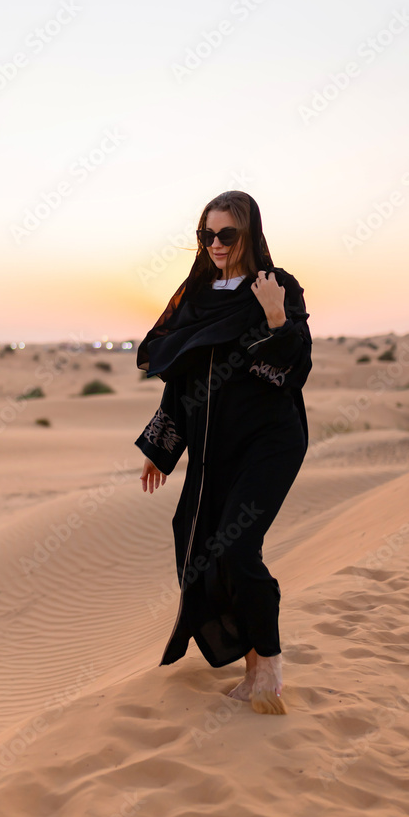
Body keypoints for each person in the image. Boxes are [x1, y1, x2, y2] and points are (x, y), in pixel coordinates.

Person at [134, 190, 312, 715]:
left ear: (249, 234)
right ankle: (254, 665)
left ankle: (270, 668)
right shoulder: (196, 294)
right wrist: (162, 446)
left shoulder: (277, 287)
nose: (215, 244)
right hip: (215, 446)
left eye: (226, 234)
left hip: (270, 440)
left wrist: (277, 320)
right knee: (204, 546)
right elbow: (180, 376)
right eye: (205, 234)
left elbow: (295, 367)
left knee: (239, 548)